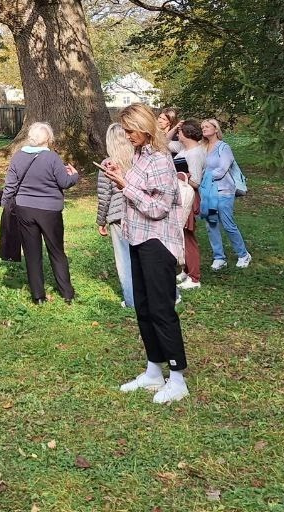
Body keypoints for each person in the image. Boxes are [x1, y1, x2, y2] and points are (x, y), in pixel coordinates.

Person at [99, 103, 190, 404]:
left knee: (162, 310)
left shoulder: (162, 161)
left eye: (129, 131)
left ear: (145, 128)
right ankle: (154, 370)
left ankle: (177, 378)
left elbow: (158, 208)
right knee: (143, 308)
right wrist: (119, 174)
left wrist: (125, 186)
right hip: (136, 238)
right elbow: (139, 189)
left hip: (157, 242)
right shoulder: (139, 156)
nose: (126, 137)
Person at [1, 122, 79, 304]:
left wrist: (5, 204)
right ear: (49, 139)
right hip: (49, 210)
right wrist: (74, 176)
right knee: (56, 250)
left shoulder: (18, 157)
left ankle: (38, 296)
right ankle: (67, 293)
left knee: (32, 253)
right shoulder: (52, 158)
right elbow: (64, 182)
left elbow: (10, 185)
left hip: (25, 209)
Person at [202, 118, 252, 271]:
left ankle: (243, 255)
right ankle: (219, 257)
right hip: (208, 193)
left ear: (215, 129)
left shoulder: (223, 148)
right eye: (202, 127)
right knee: (211, 224)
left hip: (224, 191)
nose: (203, 129)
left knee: (228, 224)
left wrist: (203, 176)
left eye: (206, 126)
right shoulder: (202, 147)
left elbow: (223, 169)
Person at [96, 122, 136, 308]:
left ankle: (131, 300)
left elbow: (104, 195)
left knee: (124, 259)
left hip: (118, 214)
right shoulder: (139, 158)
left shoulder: (108, 164)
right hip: (139, 211)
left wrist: (101, 220)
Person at [176, 120, 207, 289]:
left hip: (189, 196)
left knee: (188, 236)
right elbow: (165, 142)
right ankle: (186, 270)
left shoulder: (195, 153)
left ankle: (194, 277)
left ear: (187, 133)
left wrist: (179, 175)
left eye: (180, 131)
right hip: (181, 194)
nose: (177, 134)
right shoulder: (184, 149)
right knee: (181, 234)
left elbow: (196, 181)